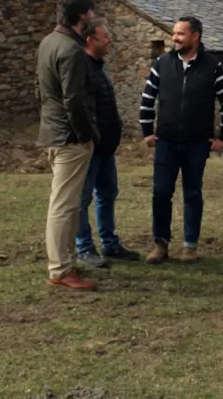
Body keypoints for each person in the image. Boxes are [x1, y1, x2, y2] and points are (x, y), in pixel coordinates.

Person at [140, 16, 223, 264]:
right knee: (161, 193)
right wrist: (147, 130)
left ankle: (190, 246)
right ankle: (160, 244)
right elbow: (148, 97)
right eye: (174, 33)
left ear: (195, 36)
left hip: (196, 144)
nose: (175, 38)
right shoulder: (162, 63)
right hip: (166, 143)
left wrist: (221, 137)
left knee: (192, 194)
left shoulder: (213, 66)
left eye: (181, 34)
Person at [36, 0, 100, 291]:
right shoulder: (71, 49)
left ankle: (66, 261)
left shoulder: (48, 42)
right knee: (63, 204)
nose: (94, 16)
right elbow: (73, 99)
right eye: (92, 11)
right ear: (83, 14)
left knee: (67, 203)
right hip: (69, 138)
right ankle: (60, 269)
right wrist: (86, 134)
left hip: (53, 132)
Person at [74, 18, 141, 267]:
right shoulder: (82, 68)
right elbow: (81, 108)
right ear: (90, 40)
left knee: (107, 194)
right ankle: (84, 249)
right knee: (82, 200)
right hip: (91, 148)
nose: (109, 41)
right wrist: (91, 137)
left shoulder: (99, 67)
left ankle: (110, 245)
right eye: (105, 37)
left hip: (106, 149)